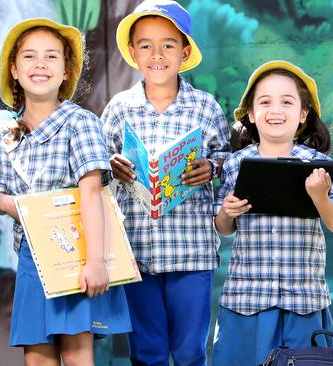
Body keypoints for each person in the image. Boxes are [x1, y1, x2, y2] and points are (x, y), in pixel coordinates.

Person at [0, 18, 131, 365]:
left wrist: (95, 261)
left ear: (66, 71)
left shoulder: (81, 122)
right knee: (36, 357)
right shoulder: (3, 131)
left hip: (77, 252)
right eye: (30, 57)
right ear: (14, 70)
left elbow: (92, 193)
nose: (40, 65)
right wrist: (15, 206)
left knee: (77, 353)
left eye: (51, 57)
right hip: (33, 259)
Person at [100, 1, 230, 364]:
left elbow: (227, 159)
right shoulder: (119, 108)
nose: (157, 55)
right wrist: (113, 168)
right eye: (146, 45)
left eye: (168, 45)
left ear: (185, 52)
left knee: (190, 350)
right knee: (147, 350)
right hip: (136, 252)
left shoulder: (205, 108)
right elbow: (97, 171)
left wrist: (212, 166)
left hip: (191, 250)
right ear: (132, 52)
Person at [211, 60, 333, 365]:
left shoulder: (317, 165)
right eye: (265, 102)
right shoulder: (236, 163)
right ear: (250, 113)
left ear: (302, 114)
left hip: (304, 300)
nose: (276, 110)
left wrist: (320, 196)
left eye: (287, 102)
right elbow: (224, 227)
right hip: (247, 299)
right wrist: (227, 211)